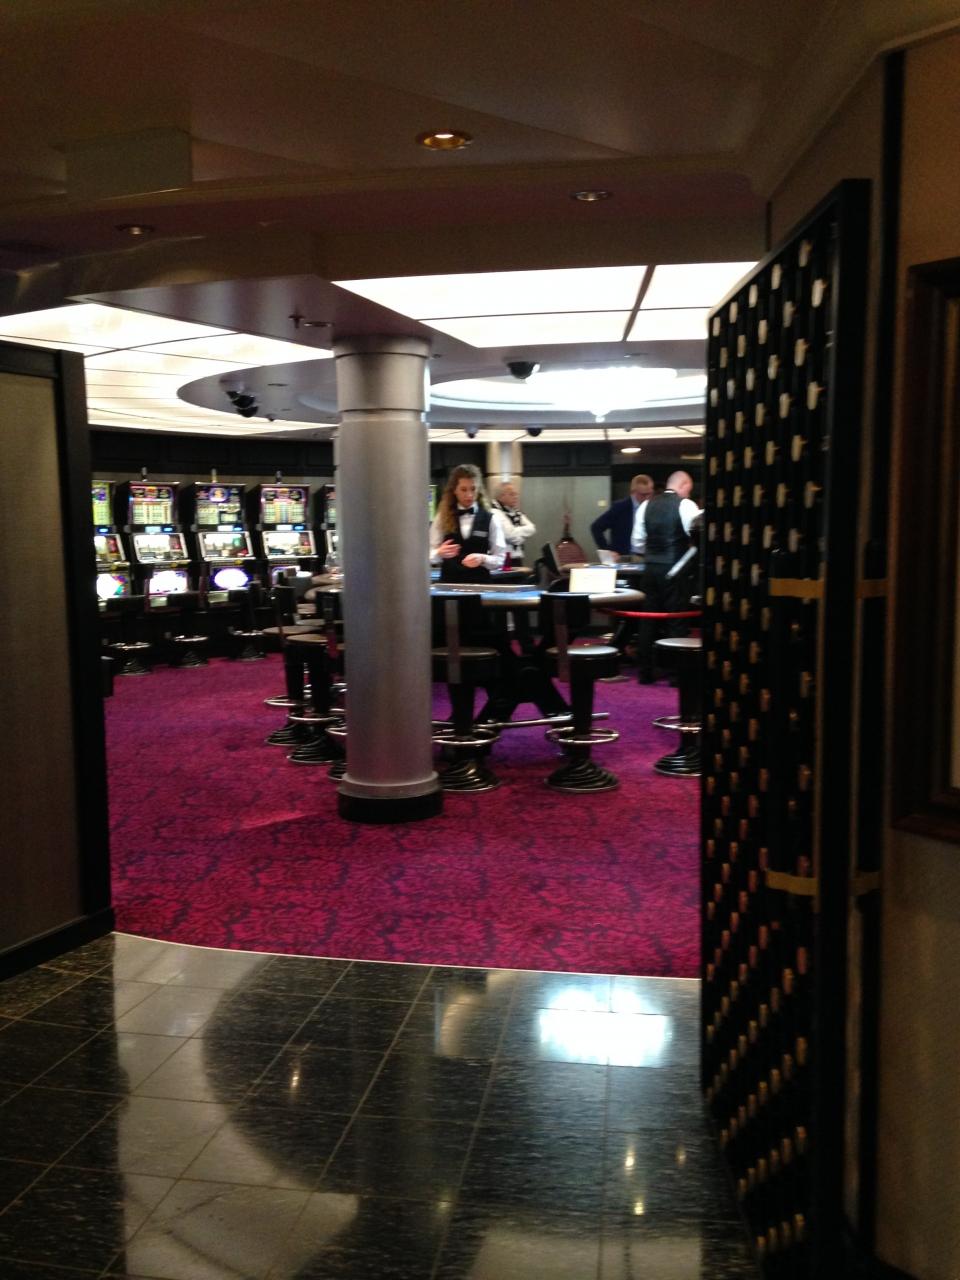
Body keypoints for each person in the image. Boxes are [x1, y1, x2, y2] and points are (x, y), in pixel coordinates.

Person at [632, 469, 702, 683]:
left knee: (647, 620)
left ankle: (645, 672)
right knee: (676, 620)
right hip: (675, 569)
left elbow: (637, 543)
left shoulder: (646, 505)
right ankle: (677, 674)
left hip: (650, 568)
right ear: (683, 485)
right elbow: (697, 536)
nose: (688, 494)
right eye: (689, 489)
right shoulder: (686, 505)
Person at [430, 464, 507, 583]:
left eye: (473, 489)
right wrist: (439, 553)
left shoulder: (491, 519)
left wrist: (483, 558)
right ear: (454, 490)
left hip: (481, 586)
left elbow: (500, 559)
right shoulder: (441, 518)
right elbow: (428, 555)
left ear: (479, 489)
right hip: (449, 585)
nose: (469, 495)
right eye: (463, 489)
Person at [590, 473, 655, 560]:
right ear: (633, 492)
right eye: (643, 494)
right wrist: (607, 551)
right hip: (624, 557)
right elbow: (596, 527)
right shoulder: (620, 507)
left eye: (649, 494)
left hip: (648, 557)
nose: (647, 498)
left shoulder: (653, 507)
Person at [491, 481, 536, 566]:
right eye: (512, 494)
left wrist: (515, 532)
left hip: (517, 558)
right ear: (501, 496)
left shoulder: (516, 512)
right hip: (503, 560)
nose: (516, 497)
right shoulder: (494, 512)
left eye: (516, 494)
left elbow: (532, 528)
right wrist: (522, 536)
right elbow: (509, 535)